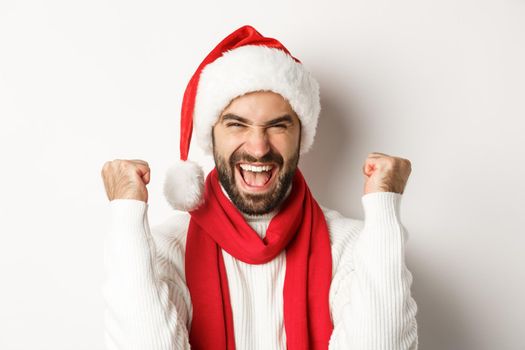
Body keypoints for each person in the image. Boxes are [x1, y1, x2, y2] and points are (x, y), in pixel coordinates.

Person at [100, 25, 418, 350]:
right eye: (237, 124)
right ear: (211, 136)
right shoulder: (165, 249)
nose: (258, 147)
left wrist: (383, 209)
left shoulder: (354, 246)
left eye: (277, 126)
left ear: (301, 137)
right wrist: (127, 216)